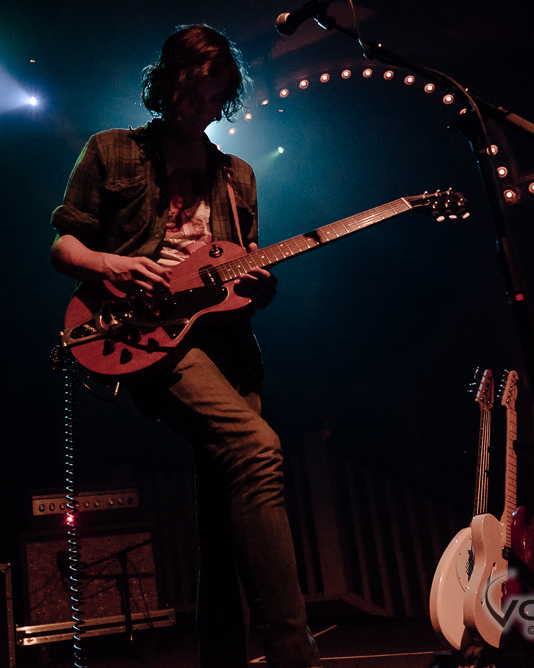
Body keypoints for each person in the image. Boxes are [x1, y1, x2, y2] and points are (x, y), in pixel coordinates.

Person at [50, 24, 320, 668]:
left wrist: (259, 286)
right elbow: (63, 245)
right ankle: (294, 655)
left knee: (226, 520)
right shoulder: (111, 150)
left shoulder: (237, 175)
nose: (203, 107)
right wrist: (113, 264)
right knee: (258, 449)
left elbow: (243, 269)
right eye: (194, 92)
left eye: (216, 97)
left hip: (229, 347)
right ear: (167, 81)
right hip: (147, 335)